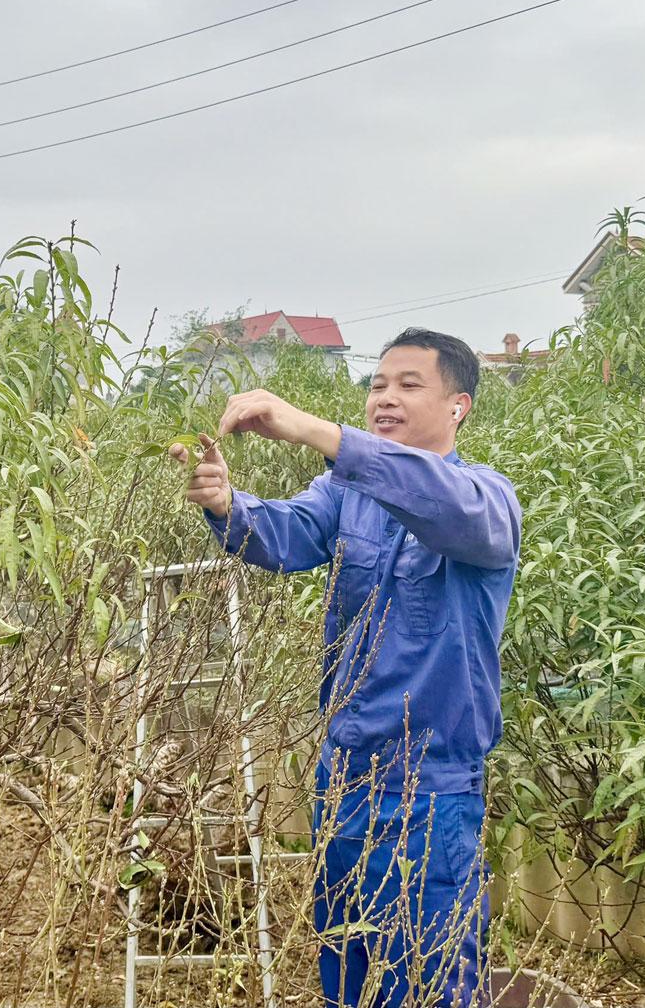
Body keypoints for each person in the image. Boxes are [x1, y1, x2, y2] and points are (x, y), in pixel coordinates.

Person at [169, 327, 521, 1007]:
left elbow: (443, 508)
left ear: (459, 406)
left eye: (408, 385)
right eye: (378, 384)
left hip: (430, 790)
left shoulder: (485, 501)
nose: (385, 397)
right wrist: (226, 505)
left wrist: (310, 428)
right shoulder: (344, 495)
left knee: (429, 981)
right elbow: (284, 533)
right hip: (345, 783)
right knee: (348, 978)